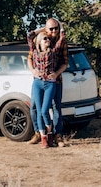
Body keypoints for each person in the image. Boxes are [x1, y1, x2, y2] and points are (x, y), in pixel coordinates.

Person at [27, 18, 69, 147]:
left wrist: (56, 74)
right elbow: (29, 58)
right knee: (34, 107)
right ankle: (39, 133)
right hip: (38, 80)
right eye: (51, 28)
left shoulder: (59, 44)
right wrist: (33, 71)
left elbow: (65, 63)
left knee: (56, 107)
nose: (54, 31)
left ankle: (57, 135)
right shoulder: (39, 40)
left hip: (55, 81)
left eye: (56, 28)